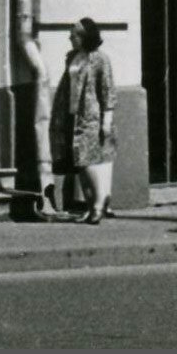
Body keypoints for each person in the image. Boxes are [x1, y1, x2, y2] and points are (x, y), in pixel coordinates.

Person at [50, 19, 116, 224]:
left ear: (86, 36)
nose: (71, 38)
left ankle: (98, 205)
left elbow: (107, 91)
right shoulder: (72, 57)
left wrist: (107, 121)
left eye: (75, 34)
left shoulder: (99, 59)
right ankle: (90, 208)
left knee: (88, 163)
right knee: (79, 165)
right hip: (71, 116)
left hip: (90, 118)